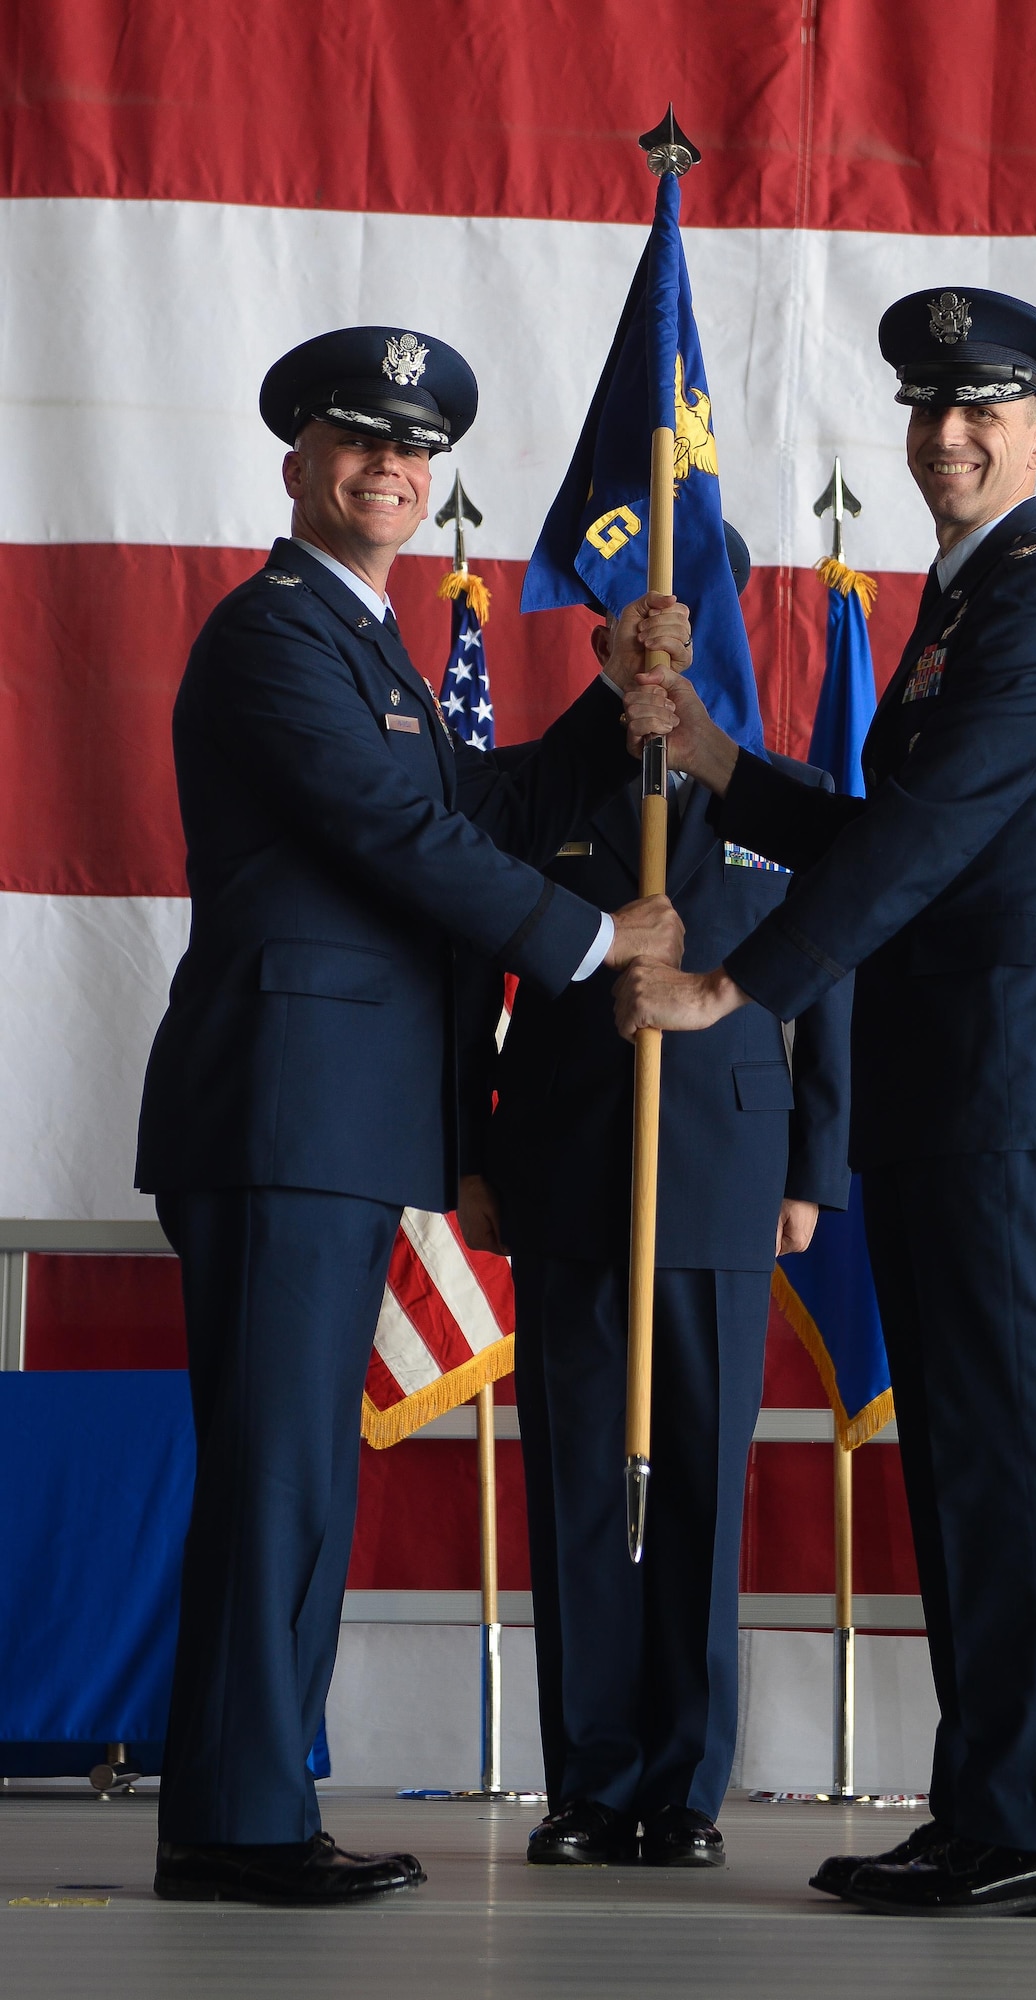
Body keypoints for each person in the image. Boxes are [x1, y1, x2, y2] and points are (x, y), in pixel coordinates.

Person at [135, 324, 691, 1905]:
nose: (390, 467)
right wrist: (593, 943)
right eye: (357, 440)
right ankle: (240, 1826)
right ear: (297, 462)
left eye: (414, 449)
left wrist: (610, 692)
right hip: (278, 1114)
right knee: (276, 1475)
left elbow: (468, 800)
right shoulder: (272, 636)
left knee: (297, 1471)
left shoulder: (365, 641)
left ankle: (244, 1810)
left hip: (330, 1119)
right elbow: (395, 832)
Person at [614, 289, 1036, 1919]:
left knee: (1007, 1447)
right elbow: (872, 827)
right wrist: (705, 750)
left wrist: (734, 990)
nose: (949, 436)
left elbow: (922, 851)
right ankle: (994, 1806)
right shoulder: (965, 605)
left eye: (983, 410)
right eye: (928, 409)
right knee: (964, 1459)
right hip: (939, 1086)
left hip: (992, 1084)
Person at [456, 527, 853, 1870]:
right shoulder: (524, 791)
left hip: (729, 1176)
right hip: (564, 1166)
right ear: (597, 634)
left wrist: (815, 1167)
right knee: (578, 1482)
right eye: (636, 618)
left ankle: (681, 1789)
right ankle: (591, 1783)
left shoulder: (771, 795)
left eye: (685, 619)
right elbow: (465, 980)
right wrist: (467, 1152)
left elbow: (832, 973)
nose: (661, 639)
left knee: (696, 1475)